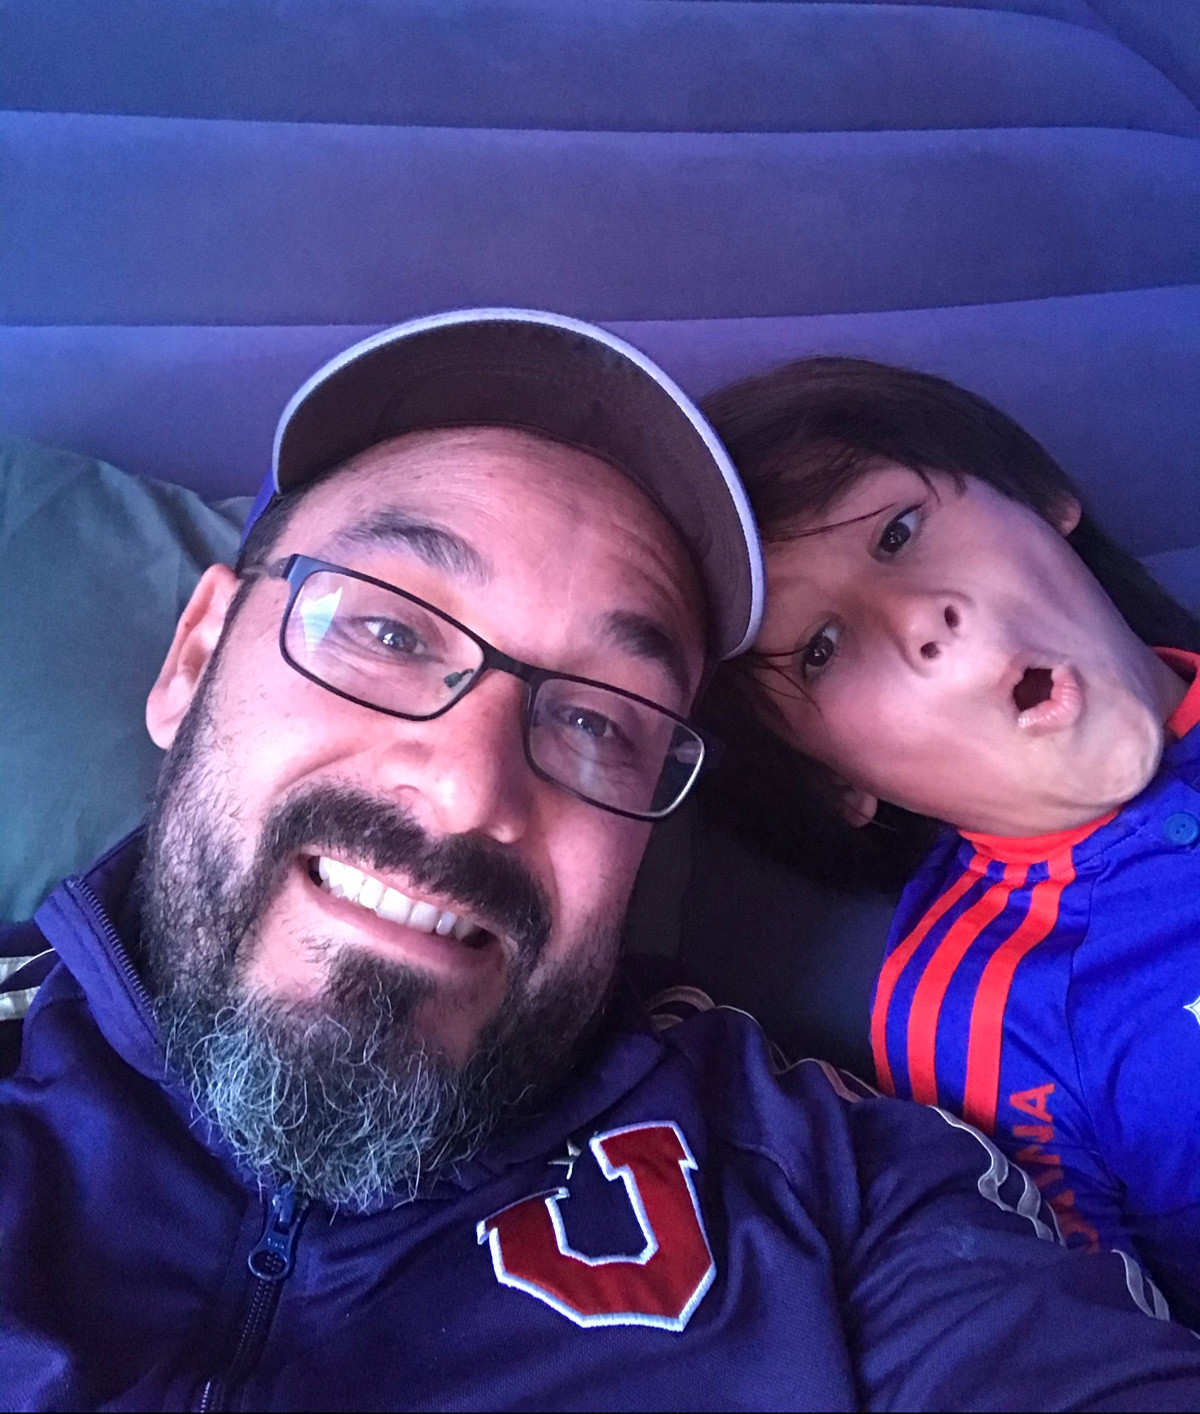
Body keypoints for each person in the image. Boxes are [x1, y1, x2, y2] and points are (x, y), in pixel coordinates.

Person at [3, 312, 1200, 1413]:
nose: (468, 790)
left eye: (597, 717)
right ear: (195, 655)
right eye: (385, 628)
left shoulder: (829, 1183)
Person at [702, 353, 1200, 1329]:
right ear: (838, 785)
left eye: (897, 530)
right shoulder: (976, 1016)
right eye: (819, 650)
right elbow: (1100, 1337)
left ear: (1044, 499)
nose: (920, 620)